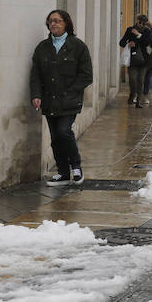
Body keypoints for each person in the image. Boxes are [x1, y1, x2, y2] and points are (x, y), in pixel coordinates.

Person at [30, 10, 93, 186]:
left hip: (69, 100)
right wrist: (36, 95)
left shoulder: (78, 46)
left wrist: (70, 91)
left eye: (57, 21)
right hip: (50, 101)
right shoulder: (42, 47)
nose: (53, 24)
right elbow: (35, 74)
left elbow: (86, 75)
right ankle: (63, 173)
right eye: (50, 21)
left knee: (64, 132)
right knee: (55, 137)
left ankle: (76, 166)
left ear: (66, 23)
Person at [119, 14, 152, 108]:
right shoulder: (130, 30)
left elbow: (147, 42)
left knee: (141, 79)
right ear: (137, 21)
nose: (141, 25)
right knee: (132, 79)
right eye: (140, 22)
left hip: (144, 60)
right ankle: (132, 94)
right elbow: (121, 42)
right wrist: (128, 43)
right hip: (133, 59)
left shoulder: (147, 31)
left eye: (143, 24)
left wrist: (138, 35)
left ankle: (139, 100)